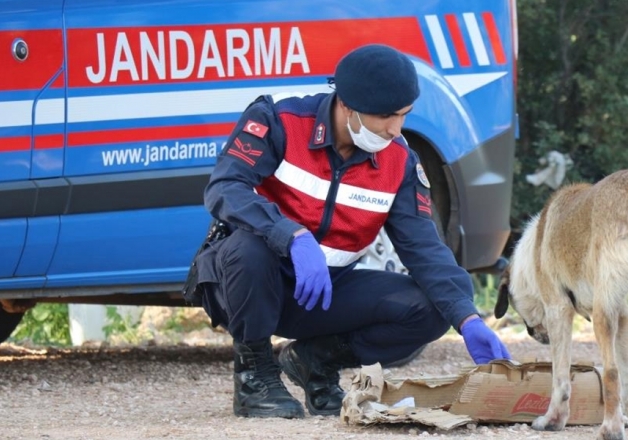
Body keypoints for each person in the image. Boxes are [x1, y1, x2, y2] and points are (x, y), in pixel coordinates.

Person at [192, 44, 511, 419]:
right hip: (243, 284)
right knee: (249, 247)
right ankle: (255, 377)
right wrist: (289, 235)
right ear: (346, 104)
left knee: (430, 309)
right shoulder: (278, 118)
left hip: (317, 292)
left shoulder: (401, 162)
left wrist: (466, 317)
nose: (396, 129)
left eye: (404, 115)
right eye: (386, 116)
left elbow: (425, 249)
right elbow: (225, 187)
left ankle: (314, 360)